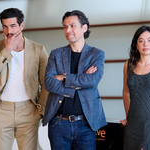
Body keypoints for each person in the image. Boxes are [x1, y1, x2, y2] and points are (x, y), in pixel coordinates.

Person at [0, 8, 49, 150]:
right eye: (5, 26)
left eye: (13, 26)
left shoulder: (38, 49)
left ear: (21, 26)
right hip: (1, 110)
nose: (9, 31)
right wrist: (7, 50)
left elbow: (46, 83)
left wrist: (41, 109)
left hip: (29, 111)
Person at [42, 10, 107, 150]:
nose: (68, 30)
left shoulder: (96, 54)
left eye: (72, 26)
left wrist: (63, 78)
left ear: (84, 28)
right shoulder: (56, 54)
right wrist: (80, 81)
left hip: (86, 124)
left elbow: (92, 81)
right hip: (58, 123)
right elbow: (49, 83)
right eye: (65, 27)